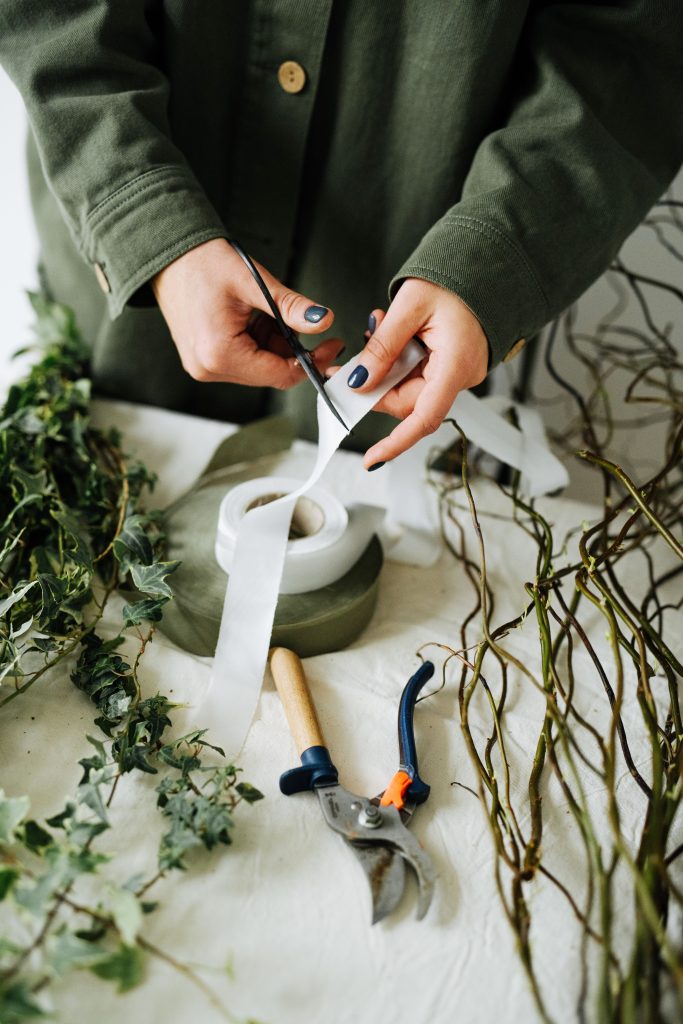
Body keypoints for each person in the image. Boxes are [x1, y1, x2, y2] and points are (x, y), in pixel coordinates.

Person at [1, 1, 681, 470]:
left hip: (415, 292)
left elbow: (628, 53)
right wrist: (143, 220)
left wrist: (496, 259)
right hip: (127, 300)